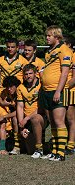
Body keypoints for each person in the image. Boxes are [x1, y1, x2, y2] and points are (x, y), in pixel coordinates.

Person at [39, 25, 73, 161]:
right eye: (46, 35)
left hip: (57, 90)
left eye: (49, 35)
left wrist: (58, 91)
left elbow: (65, 73)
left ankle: (61, 153)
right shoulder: (48, 51)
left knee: (59, 121)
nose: (47, 38)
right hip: (46, 91)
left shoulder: (64, 50)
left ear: (57, 37)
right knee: (52, 122)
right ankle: (54, 151)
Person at [16, 64, 47, 158]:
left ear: (35, 74)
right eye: (26, 74)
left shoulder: (41, 85)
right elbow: (20, 107)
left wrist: (27, 118)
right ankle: (48, 146)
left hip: (41, 116)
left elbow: (41, 107)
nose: (28, 76)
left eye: (30, 73)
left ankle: (39, 149)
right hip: (26, 119)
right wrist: (22, 125)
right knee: (29, 151)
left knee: (35, 119)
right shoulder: (20, 88)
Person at [0, 76, 21, 155]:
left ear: (16, 86)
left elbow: (19, 112)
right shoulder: (5, 92)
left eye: (11, 87)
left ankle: (17, 145)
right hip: (9, 122)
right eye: (7, 87)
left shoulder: (20, 92)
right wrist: (2, 103)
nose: (9, 89)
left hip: (23, 119)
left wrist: (5, 116)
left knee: (15, 118)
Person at [63, 35, 75, 154]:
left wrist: (63, 87)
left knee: (71, 119)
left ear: (69, 45)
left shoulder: (74, 56)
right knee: (65, 119)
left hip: (71, 91)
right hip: (65, 90)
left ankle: (71, 145)